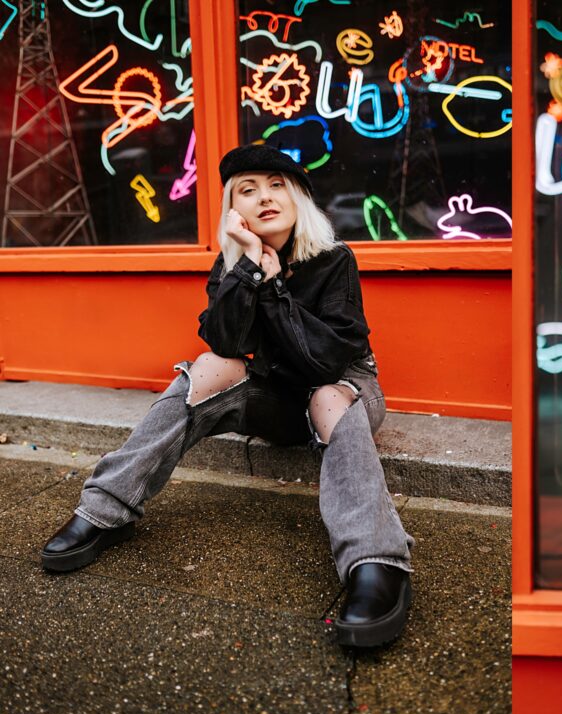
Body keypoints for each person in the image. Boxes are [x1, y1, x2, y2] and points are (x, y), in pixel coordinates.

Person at [40, 144, 415, 648]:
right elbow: (226, 344)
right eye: (247, 190)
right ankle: (104, 511)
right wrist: (249, 270)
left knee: (326, 396)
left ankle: (375, 562)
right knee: (208, 368)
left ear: (298, 195)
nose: (264, 197)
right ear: (233, 210)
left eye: (276, 185)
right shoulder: (232, 265)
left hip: (343, 391)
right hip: (277, 400)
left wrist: (278, 285)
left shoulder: (334, 259)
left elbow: (325, 361)